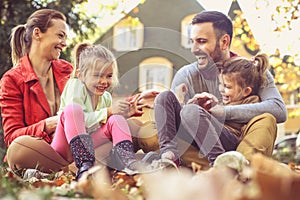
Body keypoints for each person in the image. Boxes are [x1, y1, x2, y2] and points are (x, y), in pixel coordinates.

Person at [154, 10, 287, 166]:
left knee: (267, 119)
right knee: (164, 98)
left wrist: (222, 111)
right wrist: (187, 107)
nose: (194, 49)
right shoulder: (186, 75)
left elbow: (278, 109)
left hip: (234, 140)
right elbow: (175, 124)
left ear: (224, 42)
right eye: (193, 41)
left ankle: (232, 166)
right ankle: (170, 159)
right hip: (197, 145)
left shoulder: (250, 71)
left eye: (202, 41)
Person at [52, 42, 153, 179]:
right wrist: (108, 112)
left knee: (116, 120)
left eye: (109, 76)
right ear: (81, 75)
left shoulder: (105, 97)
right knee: (73, 110)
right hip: (65, 147)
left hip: (90, 146)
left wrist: (124, 114)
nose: (104, 81)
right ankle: (84, 166)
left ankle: (127, 161)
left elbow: (103, 125)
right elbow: (79, 121)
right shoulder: (75, 86)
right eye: (98, 75)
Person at [0, 9, 74, 176]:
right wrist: (48, 125)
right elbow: (12, 136)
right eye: (60, 36)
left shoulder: (68, 70)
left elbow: (96, 103)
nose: (64, 43)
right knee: (18, 149)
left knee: (123, 125)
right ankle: (77, 170)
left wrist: (135, 102)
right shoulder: (12, 79)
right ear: (37, 34)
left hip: (73, 147)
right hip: (41, 151)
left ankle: (67, 171)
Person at [181, 53, 270, 165]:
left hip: (230, 140)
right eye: (220, 84)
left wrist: (215, 111)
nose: (221, 90)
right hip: (214, 139)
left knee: (192, 112)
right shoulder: (226, 100)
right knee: (186, 111)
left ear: (246, 91)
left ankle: (219, 161)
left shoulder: (251, 102)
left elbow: (237, 120)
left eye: (227, 86)